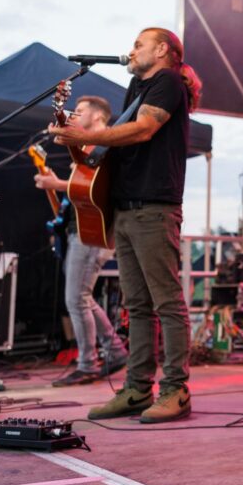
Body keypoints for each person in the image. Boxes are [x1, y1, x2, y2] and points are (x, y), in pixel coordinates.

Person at [50, 28, 202, 424]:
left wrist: (89, 133)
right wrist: (76, 140)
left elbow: (144, 128)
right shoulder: (137, 86)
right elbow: (116, 144)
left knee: (166, 302)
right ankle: (137, 389)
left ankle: (176, 389)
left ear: (162, 50)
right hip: (126, 208)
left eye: (138, 44)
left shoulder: (168, 81)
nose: (131, 51)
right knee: (136, 305)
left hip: (155, 207)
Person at [34, 95, 129, 387]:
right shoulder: (87, 149)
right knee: (82, 297)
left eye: (80, 111)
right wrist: (59, 185)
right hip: (83, 228)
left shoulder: (105, 145)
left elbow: (105, 188)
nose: (74, 114)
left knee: (76, 298)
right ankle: (114, 350)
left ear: (98, 116)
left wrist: (57, 184)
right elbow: (83, 190)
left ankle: (88, 364)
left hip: (93, 232)